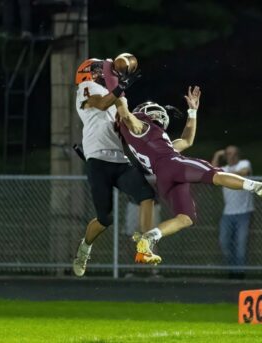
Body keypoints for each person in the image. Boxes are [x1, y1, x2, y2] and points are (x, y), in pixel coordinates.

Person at [114, 89, 262, 264]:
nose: (157, 114)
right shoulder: (141, 127)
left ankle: (149, 237)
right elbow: (126, 115)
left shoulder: (152, 140)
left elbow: (186, 141)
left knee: (185, 218)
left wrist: (192, 111)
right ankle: (258, 187)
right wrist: (117, 89)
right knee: (216, 173)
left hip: (163, 176)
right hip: (172, 164)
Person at [73, 56, 156, 277]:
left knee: (147, 196)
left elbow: (128, 121)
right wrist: (119, 88)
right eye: (100, 70)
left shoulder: (116, 95)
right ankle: (85, 248)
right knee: (104, 219)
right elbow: (101, 103)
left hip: (120, 159)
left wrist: (151, 123)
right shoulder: (86, 87)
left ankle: (145, 244)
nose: (106, 72)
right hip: (98, 160)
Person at [212, 146, 254, 279]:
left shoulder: (244, 163)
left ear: (238, 155)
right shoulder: (223, 169)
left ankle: (239, 273)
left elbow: (245, 172)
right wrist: (217, 154)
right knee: (224, 242)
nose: (231, 156)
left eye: (234, 154)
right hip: (228, 213)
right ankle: (232, 270)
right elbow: (211, 171)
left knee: (241, 243)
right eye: (229, 154)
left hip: (244, 212)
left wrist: (227, 176)